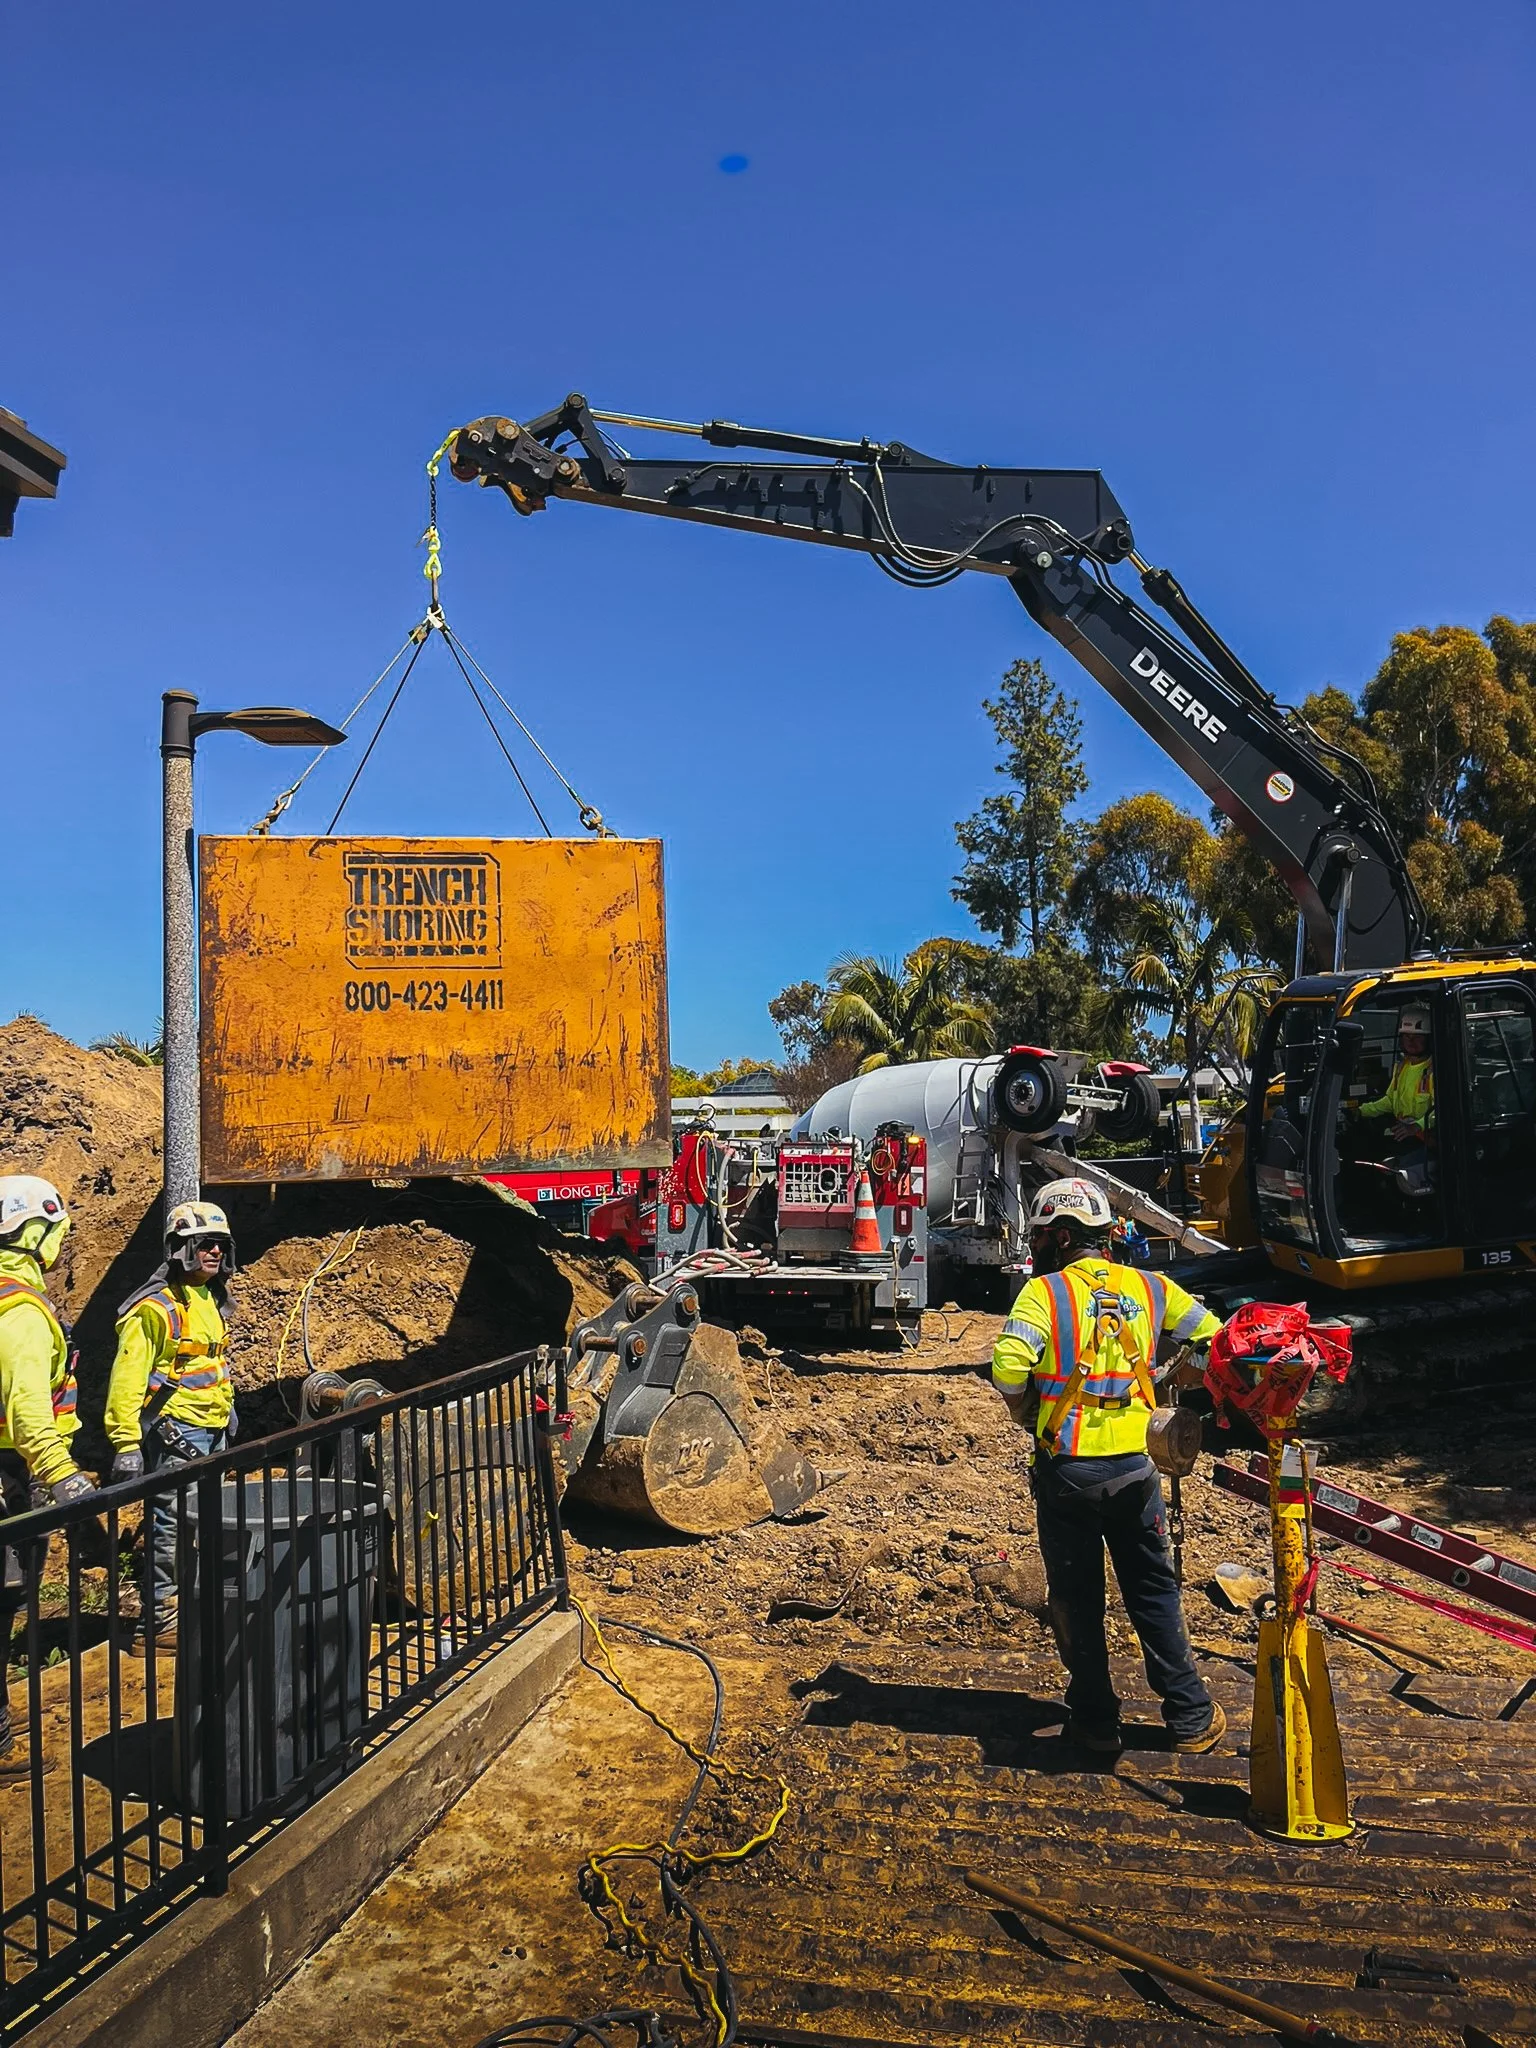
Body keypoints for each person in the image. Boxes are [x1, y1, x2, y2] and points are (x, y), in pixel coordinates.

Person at [992, 1177, 1225, 1757]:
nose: (1036, 1247)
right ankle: (1191, 1717)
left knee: (1076, 1598)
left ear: (1062, 1236)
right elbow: (1214, 1340)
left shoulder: (1044, 1293)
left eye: (1041, 1236)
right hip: (1136, 1471)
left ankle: (1095, 1722)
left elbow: (1007, 1367)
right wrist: (1175, 1376)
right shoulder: (1152, 1287)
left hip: (1068, 1472)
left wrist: (1027, 1411)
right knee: (1153, 1591)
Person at [104, 1201, 236, 1648]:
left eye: (221, 1245)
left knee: (207, 1522)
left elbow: (210, 1362)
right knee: (171, 1526)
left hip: (213, 1426)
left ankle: (194, 1607)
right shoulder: (154, 1309)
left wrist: (227, 1409)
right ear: (181, 1248)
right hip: (177, 1430)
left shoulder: (211, 1298)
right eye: (206, 1244)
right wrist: (126, 1442)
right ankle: (159, 1621)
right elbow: (127, 1378)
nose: (215, 1252)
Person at [0, 1176, 96, 1777]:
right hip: (12, 1475)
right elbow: (28, 1410)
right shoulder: (21, 1313)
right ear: (34, 1232)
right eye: (57, 1228)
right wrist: (64, 1476)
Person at [1358, 1005, 1435, 1143]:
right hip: (1404, 1135)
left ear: (1429, 1039)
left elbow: (1443, 1109)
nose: (1411, 1041)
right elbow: (1390, 1101)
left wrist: (1417, 1126)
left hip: (1427, 1141)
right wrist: (1361, 1111)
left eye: (1417, 1037)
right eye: (1406, 1036)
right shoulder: (1401, 1067)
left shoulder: (1434, 1070)